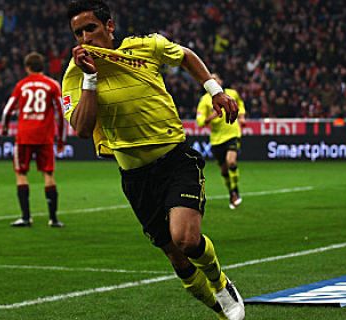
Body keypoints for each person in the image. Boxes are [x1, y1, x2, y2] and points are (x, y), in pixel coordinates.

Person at [62, 1, 244, 319]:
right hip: (135, 176)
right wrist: (89, 79)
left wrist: (215, 90)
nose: (85, 37)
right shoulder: (74, 74)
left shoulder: (144, 47)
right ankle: (219, 308)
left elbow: (185, 55)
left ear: (109, 26)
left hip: (174, 159)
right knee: (176, 258)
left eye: (90, 28)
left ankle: (221, 284)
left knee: (185, 239)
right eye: (78, 33)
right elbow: (81, 129)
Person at [2, 52, 66, 228]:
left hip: (24, 136)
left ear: (27, 68)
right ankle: (53, 219)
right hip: (45, 136)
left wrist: (5, 128)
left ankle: (25, 217)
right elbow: (61, 113)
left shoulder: (21, 85)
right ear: (42, 66)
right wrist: (61, 139)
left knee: (21, 173)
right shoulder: (52, 85)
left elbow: (7, 110)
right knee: (48, 174)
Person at [196, 73, 246, 209]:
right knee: (224, 171)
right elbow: (200, 122)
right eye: (211, 79)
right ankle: (231, 192)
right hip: (217, 139)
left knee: (231, 162)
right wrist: (210, 117)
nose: (214, 81)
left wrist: (241, 117)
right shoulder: (205, 100)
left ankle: (235, 191)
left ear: (221, 81)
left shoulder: (232, 94)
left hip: (232, 133)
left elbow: (240, 104)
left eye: (216, 78)